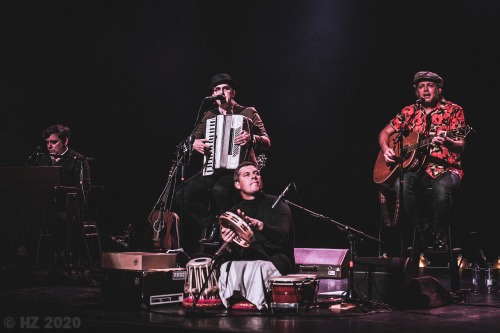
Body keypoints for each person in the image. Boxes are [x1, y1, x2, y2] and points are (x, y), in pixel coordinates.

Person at [174, 73, 271, 244]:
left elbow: (267, 141)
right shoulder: (209, 115)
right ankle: (214, 225)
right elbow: (192, 139)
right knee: (182, 194)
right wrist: (195, 143)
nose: (221, 92)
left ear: (233, 92)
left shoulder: (248, 112)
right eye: (217, 89)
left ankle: (235, 230)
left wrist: (252, 138)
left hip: (239, 170)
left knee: (220, 190)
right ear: (213, 95)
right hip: (214, 167)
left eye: (225, 88)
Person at [378, 71, 466, 251]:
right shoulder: (409, 112)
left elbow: (460, 145)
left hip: (447, 169)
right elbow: (385, 133)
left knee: (440, 187)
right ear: (416, 91)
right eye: (421, 86)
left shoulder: (454, 110)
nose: (425, 90)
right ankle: (424, 231)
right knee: (401, 184)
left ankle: (440, 235)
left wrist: (448, 141)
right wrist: (386, 149)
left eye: (430, 85)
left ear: (439, 89)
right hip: (418, 170)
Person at [217, 161, 295, 310]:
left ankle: (260, 304)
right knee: (224, 265)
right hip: (247, 260)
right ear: (237, 185)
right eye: (247, 175)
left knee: (261, 265)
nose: (254, 177)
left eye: (256, 173)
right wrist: (227, 244)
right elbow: (233, 253)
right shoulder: (233, 213)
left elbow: (284, 237)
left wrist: (261, 226)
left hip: (274, 258)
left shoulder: (278, 205)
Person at [30, 124, 92, 272]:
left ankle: (60, 258)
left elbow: (85, 189)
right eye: (47, 143)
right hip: (46, 205)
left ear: (65, 141)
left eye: (54, 142)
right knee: (26, 216)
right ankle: (26, 258)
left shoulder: (77, 160)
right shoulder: (42, 159)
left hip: (69, 208)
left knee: (57, 219)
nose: (49, 146)